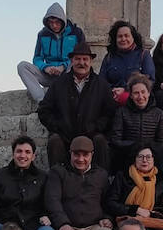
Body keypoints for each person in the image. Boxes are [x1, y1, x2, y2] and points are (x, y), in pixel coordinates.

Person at [44, 135, 118, 230]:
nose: (81, 159)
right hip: (69, 227)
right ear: (70, 153)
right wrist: (63, 223)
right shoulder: (58, 172)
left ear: (92, 155)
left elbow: (108, 200)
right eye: (76, 154)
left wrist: (107, 218)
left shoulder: (101, 174)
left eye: (85, 155)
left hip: (93, 228)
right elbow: (52, 200)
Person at [37, 40, 115, 170]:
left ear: (91, 61)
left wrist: (95, 127)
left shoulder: (102, 85)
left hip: (91, 135)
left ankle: (101, 181)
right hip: (64, 135)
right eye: (77, 59)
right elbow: (44, 110)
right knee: (54, 141)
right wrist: (59, 126)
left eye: (85, 59)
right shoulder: (59, 83)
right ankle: (57, 179)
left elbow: (110, 113)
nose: (81, 63)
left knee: (101, 141)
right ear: (72, 61)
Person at [17, 1, 87, 102]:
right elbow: (37, 58)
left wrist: (63, 66)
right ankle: (42, 101)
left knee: (78, 61)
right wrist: (45, 67)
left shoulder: (76, 32)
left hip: (68, 74)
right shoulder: (42, 34)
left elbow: (82, 56)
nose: (54, 25)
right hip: (49, 75)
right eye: (51, 22)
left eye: (57, 22)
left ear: (63, 21)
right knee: (22, 66)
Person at [105, 144, 163, 230]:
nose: (144, 160)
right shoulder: (123, 176)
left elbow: (162, 208)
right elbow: (110, 203)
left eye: (148, 157)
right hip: (125, 220)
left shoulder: (160, 180)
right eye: (140, 157)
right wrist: (136, 210)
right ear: (134, 159)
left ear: (154, 159)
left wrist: (149, 214)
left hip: (150, 221)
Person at [108, 74, 163, 171]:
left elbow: (161, 143)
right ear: (131, 95)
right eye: (136, 93)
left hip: (150, 160)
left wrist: (145, 151)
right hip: (127, 157)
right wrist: (136, 147)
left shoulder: (159, 114)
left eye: (143, 92)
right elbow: (116, 140)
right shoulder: (121, 112)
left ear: (149, 93)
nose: (140, 96)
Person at [99, 20, 155, 100]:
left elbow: (150, 80)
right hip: (112, 98)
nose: (123, 39)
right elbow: (101, 81)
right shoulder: (109, 57)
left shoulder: (143, 55)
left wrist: (125, 90)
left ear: (133, 37)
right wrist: (113, 91)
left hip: (136, 100)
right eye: (120, 36)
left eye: (126, 36)